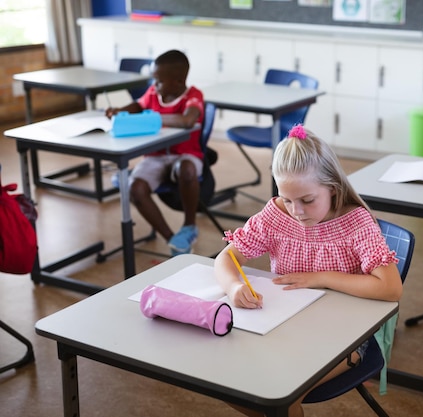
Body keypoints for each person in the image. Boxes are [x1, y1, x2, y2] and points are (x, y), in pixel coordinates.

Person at [213, 124, 403, 417]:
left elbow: (391, 288)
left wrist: (322, 278)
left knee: (281, 397)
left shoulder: (356, 223)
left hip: (346, 336)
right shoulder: (276, 215)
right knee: (228, 386)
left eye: (307, 200)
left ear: (332, 188)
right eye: (287, 199)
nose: (296, 211)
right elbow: (226, 258)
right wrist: (234, 287)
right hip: (286, 326)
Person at [105, 50, 205, 256]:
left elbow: (187, 120)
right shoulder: (153, 93)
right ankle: (174, 241)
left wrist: (152, 119)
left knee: (186, 169)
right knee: (135, 187)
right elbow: (138, 105)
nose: (155, 85)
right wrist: (120, 111)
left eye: (158, 81)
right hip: (156, 156)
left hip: (186, 155)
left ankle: (189, 226)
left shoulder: (193, 96)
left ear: (178, 81)